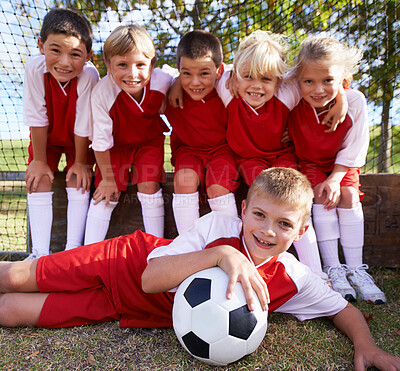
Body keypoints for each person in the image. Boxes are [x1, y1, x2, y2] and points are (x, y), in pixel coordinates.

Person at [0, 168, 398, 371]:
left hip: (128, 309)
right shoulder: (218, 227)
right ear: (243, 210)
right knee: (14, 277)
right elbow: (150, 278)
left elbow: (340, 309)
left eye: (283, 224)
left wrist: (366, 346)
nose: (266, 230)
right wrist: (221, 256)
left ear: (302, 230)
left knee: (12, 312)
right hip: (123, 261)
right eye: (258, 214)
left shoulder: (293, 278)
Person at [288, 36, 386, 304]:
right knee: (321, 195)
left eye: (327, 81)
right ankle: (334, 268)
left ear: (343, 77)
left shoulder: (355, 101)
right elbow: (270, 73)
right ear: (298, 78)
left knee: (349, 196)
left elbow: (356, 146)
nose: (318, 89)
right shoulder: (295, 94)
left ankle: (356, 269)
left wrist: (336, 177)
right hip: (309, 163)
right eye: (309, 81)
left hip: (342, 164)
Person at [84, 24, 172, 243]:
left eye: (140, 65)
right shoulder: (102, 92)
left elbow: (177, 77)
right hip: (115, 147)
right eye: (122, 64)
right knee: (105, 193)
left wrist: (177, 87)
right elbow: (101, 142)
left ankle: (156, 248)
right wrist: (107, 179)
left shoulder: (162, 80)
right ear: (108, 64)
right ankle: (87, 251)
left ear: (152, 64)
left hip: (148, 142)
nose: (132, 74)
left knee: (149, 187)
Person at [23, 8, 99, 259]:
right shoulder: (34, 69)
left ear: (88, 56)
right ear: (41, 45)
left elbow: (83, 124)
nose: (65, 62)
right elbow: (37, 115)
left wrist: (79, 162)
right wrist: (40, 161)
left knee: (79, 179)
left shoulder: (89, 75)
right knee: (39, 179)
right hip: (46, 140)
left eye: (75, 54)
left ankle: (73, 251)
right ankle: (39, 254)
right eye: (55, 50)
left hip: (78, 141)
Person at [164, 30, 239, 234]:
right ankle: (189, 245)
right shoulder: (170, 88)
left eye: (204, 74)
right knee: (183, 181)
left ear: (219, 70)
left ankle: (231, 241)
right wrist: (177, 82)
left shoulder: (228, 84)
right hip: (188, 150)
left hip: (223, 150)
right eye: (186, 74)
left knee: (217, 187)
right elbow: (163, 73)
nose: (195, 82)